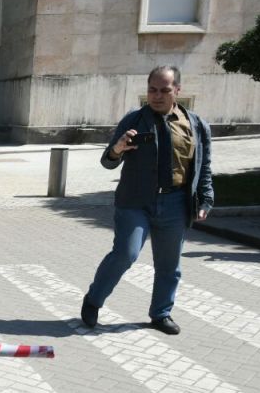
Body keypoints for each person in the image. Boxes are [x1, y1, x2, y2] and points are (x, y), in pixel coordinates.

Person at [81, 66, 214, 336]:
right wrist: (118, 149)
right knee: (125, 253)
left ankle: (161, 314)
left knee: (169, 264)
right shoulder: (134, 120)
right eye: (152, 90)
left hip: (176, 202)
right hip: (135, 202)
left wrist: (206, 198)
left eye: (164, 90)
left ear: (177, 90)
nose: (157, 96)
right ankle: (94, 299)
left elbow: (204, 166)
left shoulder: (196, 124)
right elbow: (107, 161)